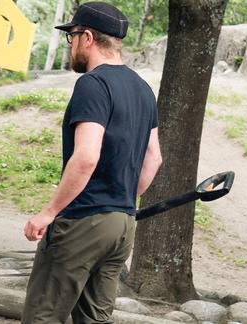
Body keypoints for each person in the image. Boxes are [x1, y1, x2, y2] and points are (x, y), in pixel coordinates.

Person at [20, 2, 163, 323]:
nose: (70, 46)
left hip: (83, 220)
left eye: (71, 37)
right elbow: (153, 158)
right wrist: (121, 201)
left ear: (86, 37)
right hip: (122, 225)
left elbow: (85, 157)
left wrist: (48, 212)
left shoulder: (93, 84)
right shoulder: (143, 90)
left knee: (42, 315)